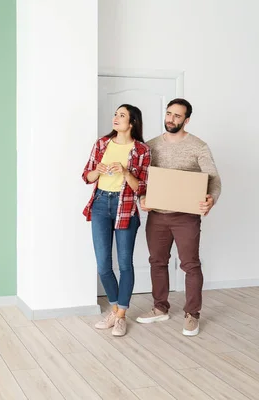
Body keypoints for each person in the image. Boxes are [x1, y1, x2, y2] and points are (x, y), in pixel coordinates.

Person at [135, 98, 221, 336]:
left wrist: (211, 199)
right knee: (157, 262)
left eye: (177, 116)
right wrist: (141, 197)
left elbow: (213, 179)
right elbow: (142, 179)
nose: (171, 119)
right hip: (157, 216)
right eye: (169, 113)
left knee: (190, 265)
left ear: (187, 120)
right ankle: (160, 307)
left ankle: (192, 314)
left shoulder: (198, 146)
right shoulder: (150, 146)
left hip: (186, 217)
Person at [82, 104, 151, 337]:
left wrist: (124, 170)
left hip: (126, 207)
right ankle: (114, 309)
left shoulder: (142, 150)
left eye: (121, 115)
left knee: (124, 264)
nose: (116, 118)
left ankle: (121, 316)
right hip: (101, 204)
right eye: (115, 114)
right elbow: (87, 176)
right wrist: (98, 171)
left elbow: (142, 186)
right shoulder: (102, 144)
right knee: (103, 264)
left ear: (132, 122)